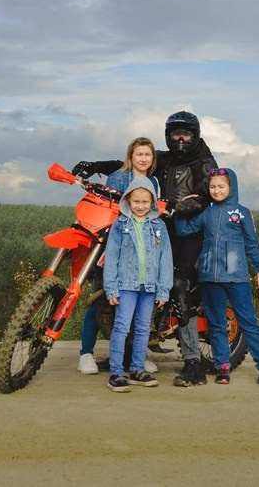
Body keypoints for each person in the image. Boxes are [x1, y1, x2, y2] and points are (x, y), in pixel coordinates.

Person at [74, 110, 218, 387]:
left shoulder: (205, 162)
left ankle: (192, 362)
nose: (180, 139)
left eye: (186, 134)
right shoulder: (165, 158)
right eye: (175, 134)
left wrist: (180, 207)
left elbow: (207, 194)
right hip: (156, 227)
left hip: (188, 232)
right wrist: (95, 166)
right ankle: (132, 353)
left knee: (179, 284)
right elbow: (128, 164)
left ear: (196, 135)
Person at [175, 167, 259, 387]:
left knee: (249, 323)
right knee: (217, 325)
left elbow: (252, 243)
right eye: (212, 187)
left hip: (237, 278)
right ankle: (222, 368)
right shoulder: (205, 213)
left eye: (221, 186)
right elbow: (183, 230)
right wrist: (181, 210)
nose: (216, 191)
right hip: (209, 278)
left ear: (231, 187)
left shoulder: (242, 212)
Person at [73, 137, 159, 375]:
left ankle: (134, 355)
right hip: (112, 243)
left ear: (153, 158)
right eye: (139, 154)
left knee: (135, 303)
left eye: (148, 154)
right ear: (130, 156)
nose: (143, 159)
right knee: (99, 296)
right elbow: (104, 207)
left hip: (139, 248)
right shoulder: (119, 177)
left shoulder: (153, 181)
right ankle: (86, 353)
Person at [101, 175, 173, 392]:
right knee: (122, 327)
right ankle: (116, 372)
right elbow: (111, 256)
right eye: (136, 202)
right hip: (125, 285)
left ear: (152, 202)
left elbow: (166, 258)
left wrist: (163, 289)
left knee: (143, 328)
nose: (140, 206)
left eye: (145, 202)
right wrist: (111, 287)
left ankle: (137, 369)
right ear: (127, 201)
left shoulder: (159, 226)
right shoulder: (120, 224)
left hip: (149, 286)